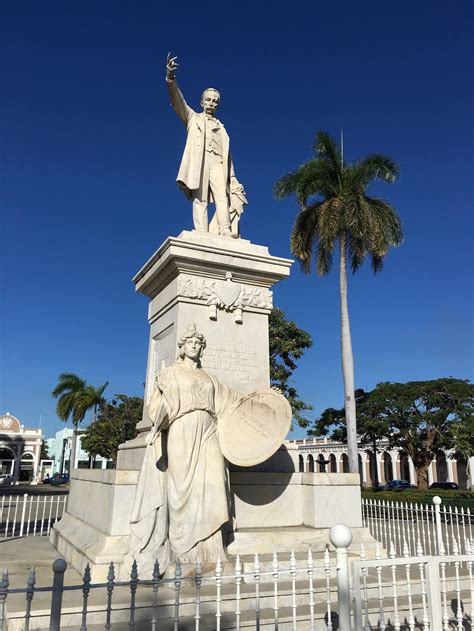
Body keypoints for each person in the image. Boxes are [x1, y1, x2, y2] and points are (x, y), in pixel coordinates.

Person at [125, 324, 242, 574]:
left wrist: (263, 399)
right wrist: (162, 411)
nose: (195, 346)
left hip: (209, 431)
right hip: (182, 430)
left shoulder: (209, 378)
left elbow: (233, 401)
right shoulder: (171, 374)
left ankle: (212, 550)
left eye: (199, 344)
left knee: (214, 485)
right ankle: (183, 551)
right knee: (180, 491)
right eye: (190, 343)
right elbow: (155, 408)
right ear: (182, 347)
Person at [166, 54, 247, 238]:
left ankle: (225, 229)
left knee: (222, 196)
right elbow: (178, 102)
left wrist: (232, 177)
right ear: (202, 102)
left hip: (217, 162)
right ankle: (201, 231)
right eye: (208, 100)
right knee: (200, 197)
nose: (211, 103)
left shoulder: (223, 129)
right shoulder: (193, 118)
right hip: (201, 160)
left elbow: (228, 157)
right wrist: (171, 79)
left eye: (215, 101)